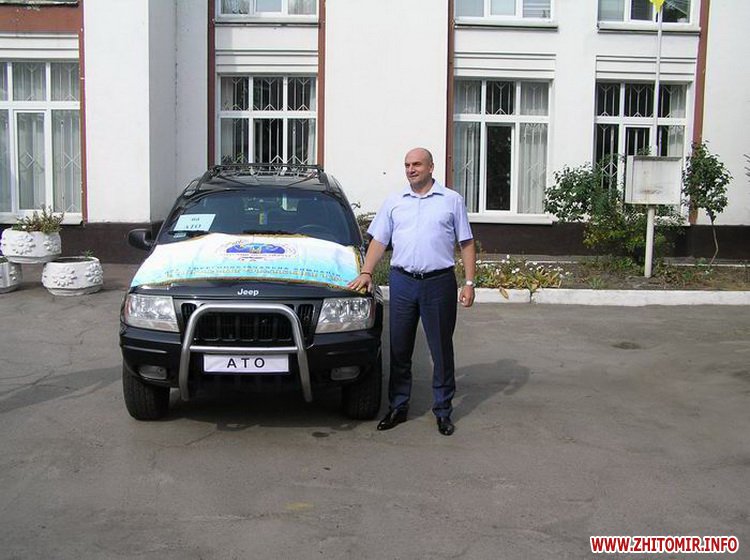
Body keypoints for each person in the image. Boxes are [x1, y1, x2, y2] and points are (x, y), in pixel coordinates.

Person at [347, 147, 476, 436]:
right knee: (400, 347)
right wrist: (366, 271)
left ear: (431, 167)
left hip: (438, 283)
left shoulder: (451, 201)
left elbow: (466, 242)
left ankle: (443, 410)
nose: (411, 169)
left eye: (416, 164)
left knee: (441, 349)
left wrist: (469, 283)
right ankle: (398, 406)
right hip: (403, 282)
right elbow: (379, 240)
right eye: (407, 165)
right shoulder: (395, 201)